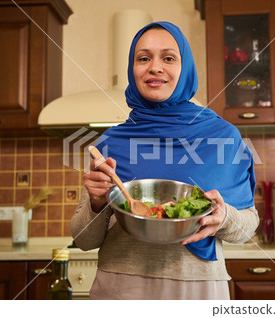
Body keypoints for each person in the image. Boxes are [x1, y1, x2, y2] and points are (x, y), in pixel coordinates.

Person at [70, 21, 259, 300]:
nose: (155, 67)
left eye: (168, 58)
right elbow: (84, 240)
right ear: (132, 70)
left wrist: (224, 217)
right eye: (143, 58)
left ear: (185, 69)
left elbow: (247, 226)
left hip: (197, 292)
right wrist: (97, 203)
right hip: (120, 291)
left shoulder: (224, 136)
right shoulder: (110, 143)